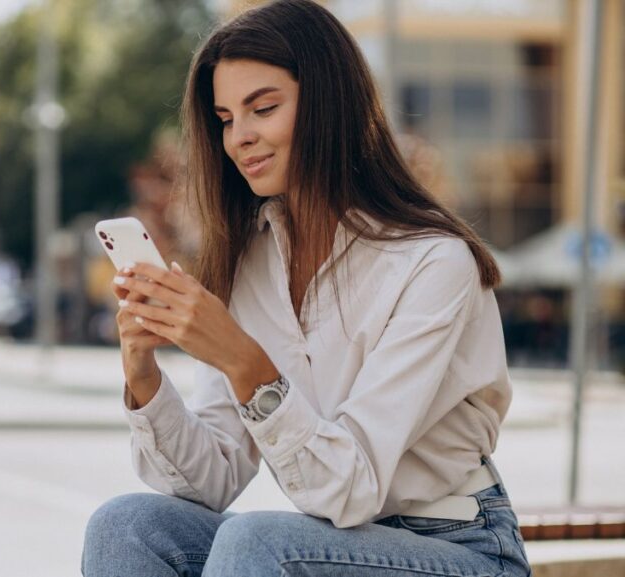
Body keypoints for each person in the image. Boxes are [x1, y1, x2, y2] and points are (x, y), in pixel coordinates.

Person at [81, 1, 532, 576]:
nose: (240, 137)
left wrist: (245, 361)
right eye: (224, 119)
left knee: (258, 545)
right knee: (127, 527)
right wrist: (143, 378)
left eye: (262, 108)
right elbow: (212, 478)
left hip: (460, 549)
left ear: (327, 105)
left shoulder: (431, 262)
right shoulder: (250, 262)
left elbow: (352, 488)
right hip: (326, 544)